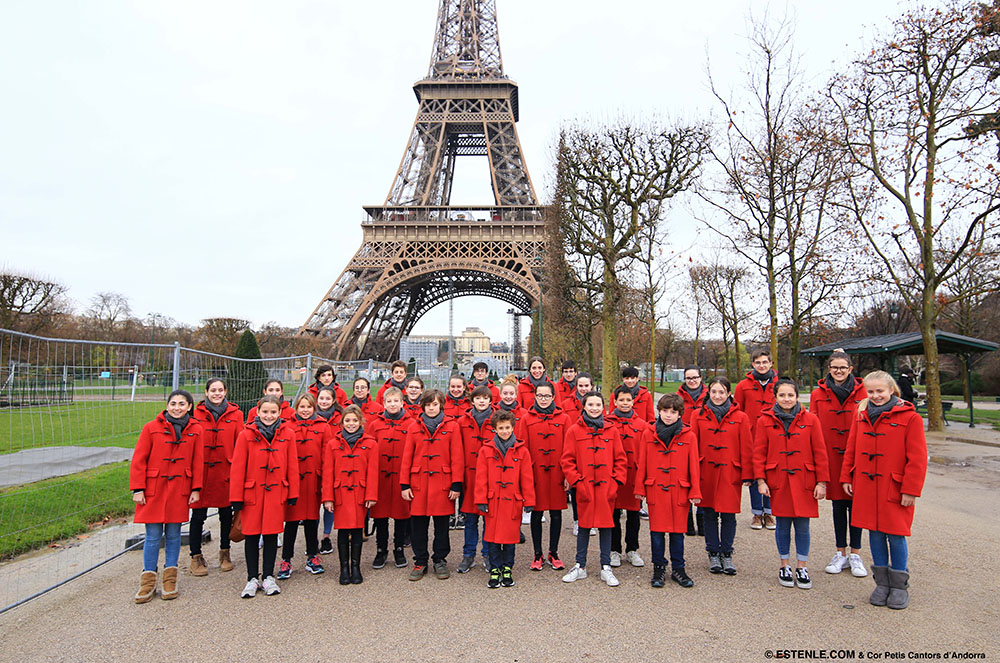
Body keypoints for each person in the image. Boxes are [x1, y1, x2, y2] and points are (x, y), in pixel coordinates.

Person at [842, 371, 927, 609]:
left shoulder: (910, 418)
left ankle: (899, 585)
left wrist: (910, 489)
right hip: (867, 485)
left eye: (880, 391)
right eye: (871, 392)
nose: (876, 396)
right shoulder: (860, 415)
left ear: (891, 390)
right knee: (875, 533)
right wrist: (847, 475)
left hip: (895, 486)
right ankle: (882, 583)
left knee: (896, 534)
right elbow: (852, 447)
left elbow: (917, 458)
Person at [753, 378, 829, 590]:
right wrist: (761, 480)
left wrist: (821, 482)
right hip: (779, 479)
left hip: (805, 479)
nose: (786, 399)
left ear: (797, 396)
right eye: (782, 395)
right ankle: (784, 564)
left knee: (803, 525)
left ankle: (802, 566)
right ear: (775, 397)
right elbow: (759, 452)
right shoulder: (764, 420)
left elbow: (820, 453)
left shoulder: (811, 420)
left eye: (790, 395)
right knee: (783, 524)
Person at [131, 390, 204, 603]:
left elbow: (198, 461)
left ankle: (169, 579)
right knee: (153, 535)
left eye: (182, 404)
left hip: (179, 488)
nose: (177, 407)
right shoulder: (151, 428)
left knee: (173, 535)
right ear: (167, 405)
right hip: (154, 488)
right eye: (173, 403)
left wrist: (196, 488)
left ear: (190, 406)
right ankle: (147, 580)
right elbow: (139, 459)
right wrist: (138, 488)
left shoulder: (196, 430)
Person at [231, 395, 300, 598]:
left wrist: (293, 492)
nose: (269, 416)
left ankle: (269, 576)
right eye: (265, 412)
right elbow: (237, 468)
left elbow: (292, 465)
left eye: (273, 412)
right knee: (251, 536)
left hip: (276, 491)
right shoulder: (245, 435)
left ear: (279, 413)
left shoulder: (288, 434)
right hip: (252, 493)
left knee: (271, 535)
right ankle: (252, 578)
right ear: (257, 412)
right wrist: (236, 497)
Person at [810, 350, 868, 578]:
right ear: (829, 369)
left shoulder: (863, 392)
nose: (839, 371)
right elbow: (813, 425)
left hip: (856, 456)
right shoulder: (818, 394)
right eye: (834, 367)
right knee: (837, 506)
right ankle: (840, 552)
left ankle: (855, 553)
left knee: (856, 505)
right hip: (831, 456)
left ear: (850, 369)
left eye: (843, 367)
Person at [560, 391, 627, 587]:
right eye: (591, 405)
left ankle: (606, 566)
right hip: (585, 488)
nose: (595, 408)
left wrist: (615, 483)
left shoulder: (612, 431)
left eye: (598, 405)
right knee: (584, 526)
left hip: (606, 488)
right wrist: (578, 482)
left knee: (606, 526)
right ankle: (580, 566)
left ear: (604, 407)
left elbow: (621, 459)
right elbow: (567, 460)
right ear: (584, 406)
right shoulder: (574, 430)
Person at [634, 394, 701, 588]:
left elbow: (694, 466)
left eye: (673, 412)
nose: (668, 415)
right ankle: (659, 568)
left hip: (679, 489)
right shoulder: (648, 433)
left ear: (680, 414)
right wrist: (640, 488)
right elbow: (642, 462)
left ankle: (679, 569)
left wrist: (695, 491)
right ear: (659, 411)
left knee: (677, 533)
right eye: (665, 411)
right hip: (656, 488)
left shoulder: (689, 435)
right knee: (657, 532)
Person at [690, 377, 752, 575]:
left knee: (728, 515)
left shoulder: (741, 417)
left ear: (728, 394)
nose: (717, 396)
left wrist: (747, 474)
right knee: (708, 514)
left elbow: (746, 447)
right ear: (709, 392)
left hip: (729, 471)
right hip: (706, 470)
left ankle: (727, 552)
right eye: (714, 392)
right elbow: (693, 445)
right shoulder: (697, 415)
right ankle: (712, 553)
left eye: (721, 392)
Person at [400, 390, 463, 580]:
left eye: (435, 404)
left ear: (441, 405)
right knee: (418, 525)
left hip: (443, 483)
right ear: (423, 406)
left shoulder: (452, 426)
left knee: (442, 526)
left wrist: (456, 484)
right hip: (418, 482)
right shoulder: (413, 427)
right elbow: (407, 457)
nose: (431, 408)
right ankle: (420, 560)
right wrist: (404, 484)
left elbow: (457, 457)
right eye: (428, 405)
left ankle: (440, 559)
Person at [475, 410, 535, 588]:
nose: (504, 431)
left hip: (512, 501)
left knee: (510, 538)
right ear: (494, 429)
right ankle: (495, 569)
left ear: (513, 427)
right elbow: (481, 478)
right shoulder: (486, 450)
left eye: (507, 427)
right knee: (492, 539)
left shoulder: (522, 451)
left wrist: (529, 500)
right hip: (493, 501)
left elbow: (527, 478)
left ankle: (507, 568)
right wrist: (481, 499)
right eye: (500, 428)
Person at [188, 378, 242, 577]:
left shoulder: (236, 414)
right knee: (198, 517)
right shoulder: (196, 413)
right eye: (213, 390)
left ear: (225, 391)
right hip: (202, 472)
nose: (217, 393)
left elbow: (240, 443)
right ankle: (196, 556)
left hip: (225, 472)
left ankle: (225, 552)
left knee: (226, 515)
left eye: (220, 390)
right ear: (206, 392)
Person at [516, 381, 570, 571]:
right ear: (535, 397)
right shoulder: (526, 419)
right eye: (540, 396)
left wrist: (567, 475)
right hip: (535, 474)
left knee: (556, 514)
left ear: (553, 397)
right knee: (536, 514)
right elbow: (521, 450)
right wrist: (525, 477)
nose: (543, 399)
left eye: (547, 396)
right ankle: (537, 553)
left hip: (556, 473)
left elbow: (568, 450)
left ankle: (553, 552)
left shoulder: (564, 419)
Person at [322, 405, 379, 585]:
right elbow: (327, 472)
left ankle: (355, 566)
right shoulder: (333, 444)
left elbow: (373, 472)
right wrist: (328, 498)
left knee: (356, 530)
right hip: (340, 493)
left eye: (355, 420)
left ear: (361, 421)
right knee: (342, 530)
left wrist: (371, 495)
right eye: (347, 420)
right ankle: (343, 568)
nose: (351, 424)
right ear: (342, 422)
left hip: (360, 493)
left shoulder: (370, 443)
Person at [278, 394, 327, 579]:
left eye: (308, 407)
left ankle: (312, 556)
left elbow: (326, 454)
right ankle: (286, 559)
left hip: (313, 480)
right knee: (291, 521)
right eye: (302, 407)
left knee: (311, 520)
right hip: (293, 481)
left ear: (314, 408)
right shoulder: (287, 426)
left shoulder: (323, 427)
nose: (305, 410)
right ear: (296, 408)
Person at [368, 387, 412, 569]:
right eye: (389, 401)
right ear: (384, 403)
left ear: (402, 402)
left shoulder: (411, 424)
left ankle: (399, 548)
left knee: (401, 515)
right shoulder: (375, 424)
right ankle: (381, 549)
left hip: (401, 477)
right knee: (381, 516)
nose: (393, 405)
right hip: (381, 477)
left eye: (396, 401)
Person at [734, 349, 778, 530]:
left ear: (771, 364)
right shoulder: (743, 385)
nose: (761, 365)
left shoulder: (778, 384)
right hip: (751, 436)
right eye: (758, 362)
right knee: (753, 475)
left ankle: (769, 512)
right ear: (753, 364)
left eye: (765, 362)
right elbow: (737, 411)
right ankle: (756, 513)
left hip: (773, 435)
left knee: (771, 473)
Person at [606, 385, 648, 569]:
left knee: (633, 514)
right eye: (621, 400)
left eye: (628, 400)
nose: (625, 403)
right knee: (613, 514)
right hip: (614, 475)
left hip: (633, 475)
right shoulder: (607, 422)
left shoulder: (642, 425)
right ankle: (614, 549)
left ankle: (632, 549)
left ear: (633, 402)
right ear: (615, 401)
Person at [456, 386, 494, 573]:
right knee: (469, 519)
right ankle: (468, 555)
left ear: (490, 400)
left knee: (488, 518)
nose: (481, 401)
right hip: (469, 478)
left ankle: (488, 553)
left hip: (490, 479)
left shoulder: (496, 420)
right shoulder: (462, 422)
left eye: (485, 398)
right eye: (478, 398)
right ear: (472, 401)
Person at [678, 366, 708, 537]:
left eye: (695, 377)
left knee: (701, 481)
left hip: (703, 443)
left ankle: (702, 518)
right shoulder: (679, 396)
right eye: (688, 378)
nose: (692, 381)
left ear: (700, 377)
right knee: (685, 480)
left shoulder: (708, 395)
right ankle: (688, 520)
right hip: (683, 441)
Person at [316, 385, 341, 556]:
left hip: (334, 465)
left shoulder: (341, 417)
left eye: (327, 399)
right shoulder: (310, 414)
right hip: (313, 466)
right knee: (312, 503)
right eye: (321, 398)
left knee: (329, 502)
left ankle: (326, 535)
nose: (324, 402)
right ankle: (312, 538)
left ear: (333, 400)